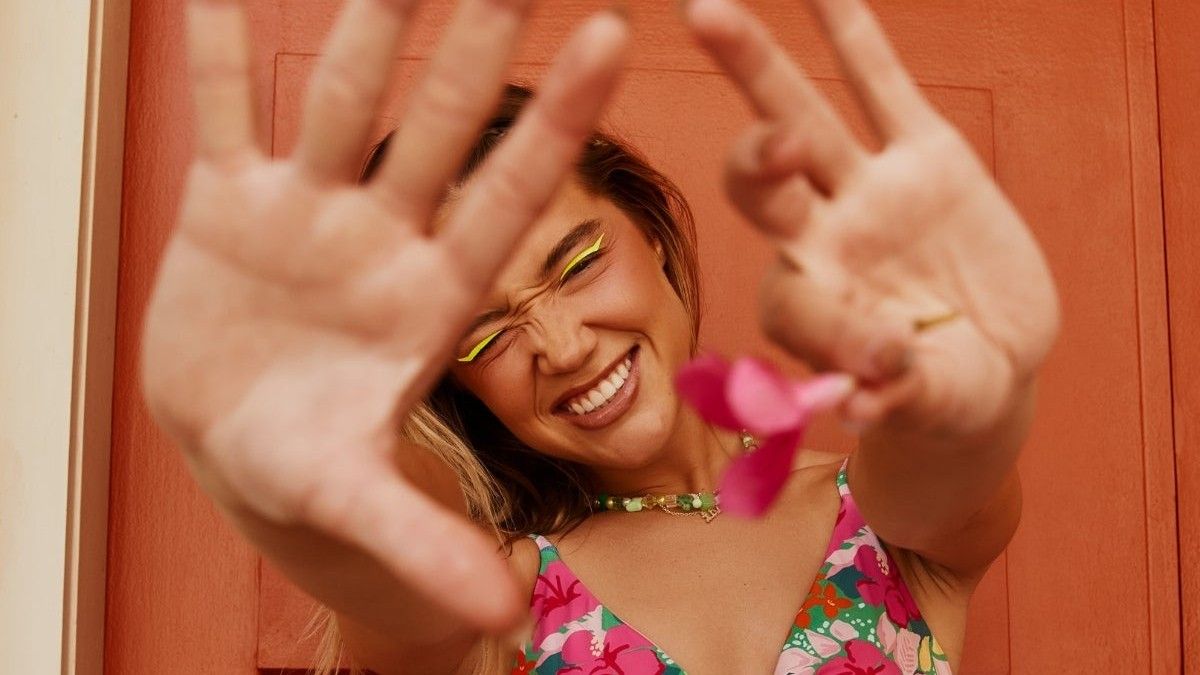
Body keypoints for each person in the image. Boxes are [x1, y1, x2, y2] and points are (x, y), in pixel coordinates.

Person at [141, 0, 1060, 673]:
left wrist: (984, 370)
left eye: (577, 260)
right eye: (486, 332)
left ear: (652, 233)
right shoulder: (497, 600)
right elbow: (397, 586)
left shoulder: (882, 519)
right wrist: (307, 469)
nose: (561, 342)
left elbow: (949, 455)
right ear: (455, 388)